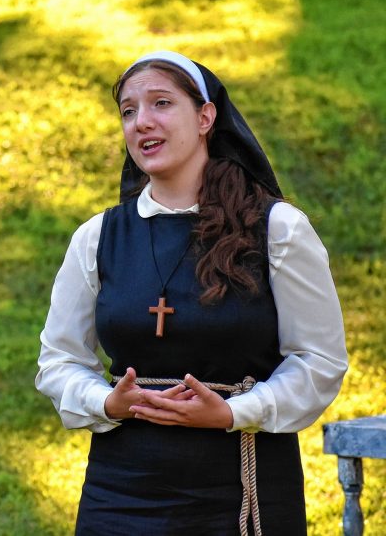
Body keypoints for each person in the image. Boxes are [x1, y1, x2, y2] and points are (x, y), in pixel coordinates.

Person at [35, 51, 348, 535]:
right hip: (120, 492)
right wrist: (106, 402)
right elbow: (58, 360)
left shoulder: (277, 230)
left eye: (161, 103)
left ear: (206, 117)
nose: (142, 122)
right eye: (128, 110)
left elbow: (319, 361)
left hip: (242, 488)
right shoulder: (99, 237)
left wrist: (230, 411)